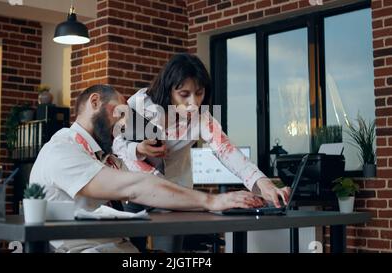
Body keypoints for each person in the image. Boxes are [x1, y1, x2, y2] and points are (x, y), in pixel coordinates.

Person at [29, 84, 264, 253]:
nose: (124, 124)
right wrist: (213, 201)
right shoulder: (63, 149)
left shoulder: (104, 157)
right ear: (94, 102)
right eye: (119, 112)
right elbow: (138, 186)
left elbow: (151, 185)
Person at [112, 53, 291, 252]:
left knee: (171, 253)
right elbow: (116, 144)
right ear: (168, 88)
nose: (194, 102)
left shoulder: (202, 118)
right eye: (184, 94)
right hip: (137, 188)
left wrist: (262, 183)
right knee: (131, 251)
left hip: (177, 192)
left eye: (199, 93)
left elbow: (227, 150)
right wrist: (137, 149)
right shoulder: (140, 105)